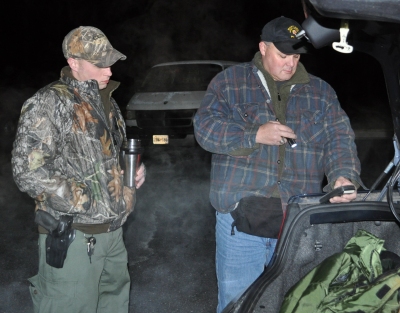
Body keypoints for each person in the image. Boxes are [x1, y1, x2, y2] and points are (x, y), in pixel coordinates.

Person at [193, 16, 364, 313]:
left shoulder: (321, 92)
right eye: (283, 55)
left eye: (296, 55)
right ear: (263, 48)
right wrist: (254, 134)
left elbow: (339, 139)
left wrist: (342, 176)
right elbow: (204, 128)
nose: (290, 63)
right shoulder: (230, 82)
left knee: (294, 304)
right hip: (240, 222)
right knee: (239, 304)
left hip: (297, 222)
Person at [11, 26, 146, 312]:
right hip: (74, 235)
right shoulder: (49, 102)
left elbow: (105, 156)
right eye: (100, 64)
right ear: (74, 62)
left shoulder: (106, 101)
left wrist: (129, 173)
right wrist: (85, 200)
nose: (109, 71)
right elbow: (27, 170)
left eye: (110, 62)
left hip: (113, 233)